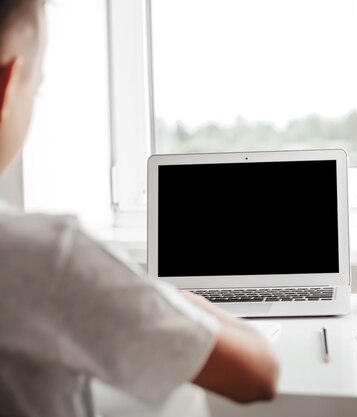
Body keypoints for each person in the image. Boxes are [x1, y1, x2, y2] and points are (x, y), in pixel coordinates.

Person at [0, 1, 280, 416]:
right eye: (36, 87)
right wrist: (180, 299)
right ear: (8, 83)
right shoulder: (48, 255)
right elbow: (260, 372)